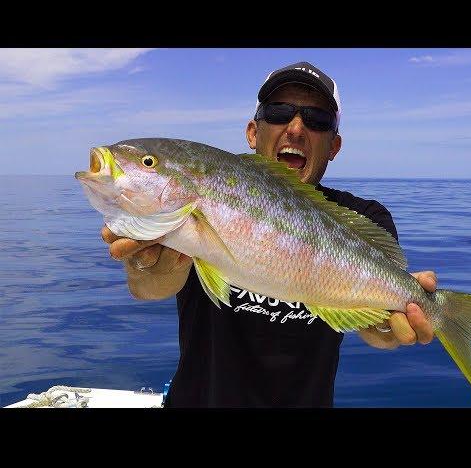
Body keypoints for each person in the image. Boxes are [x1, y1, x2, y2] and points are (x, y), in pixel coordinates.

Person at [101, 61, 437, 407]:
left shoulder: (363, 217)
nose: (295, 128)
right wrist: (145, 266)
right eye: (278, 112)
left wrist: (385, 326)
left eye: (317, 119)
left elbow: (378, 331)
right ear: (252, 132)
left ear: (334, 146)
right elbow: (147, 288)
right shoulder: (199, 204)